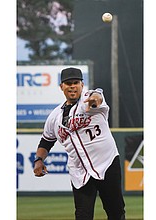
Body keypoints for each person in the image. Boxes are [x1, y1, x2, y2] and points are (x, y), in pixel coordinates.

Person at [33, 67, 126, 220]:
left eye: (75, 82)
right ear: (61, 86)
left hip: (106, 164)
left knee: (116, 212)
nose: (72, 86)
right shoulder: (54, 116)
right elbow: (46, 141)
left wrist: (95, 99)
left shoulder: (87, 100)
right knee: (82, 216)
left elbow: (97, 95)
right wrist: (39, 160)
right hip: (79, 171)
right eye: (68, 83)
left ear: (82, 85)